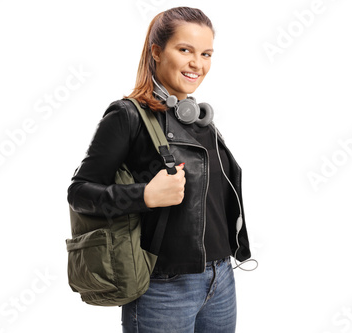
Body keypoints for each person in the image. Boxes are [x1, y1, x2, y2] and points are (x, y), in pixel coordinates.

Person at [67, 6, 252, 333]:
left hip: (221, 278)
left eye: (206, 53)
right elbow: (80, 192)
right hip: (165, 287)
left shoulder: (198, 121)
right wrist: (145, 195)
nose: (198, 63)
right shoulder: (128, 117)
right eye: (185, 50)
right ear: (156, 51)